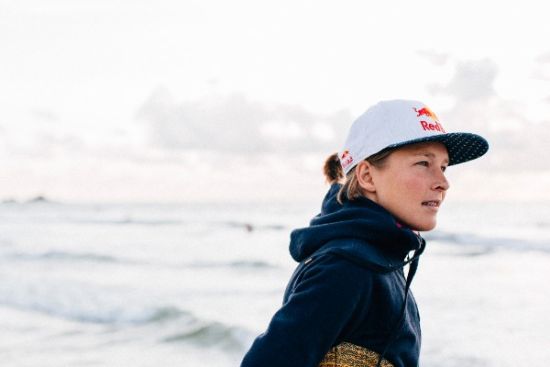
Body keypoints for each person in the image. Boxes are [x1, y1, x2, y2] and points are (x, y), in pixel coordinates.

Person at [240, 99, 489, 367]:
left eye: (443, 166)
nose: (443, 183)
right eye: (422, 163)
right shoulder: (347, 267)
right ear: (368, 177)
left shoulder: (380, 258)